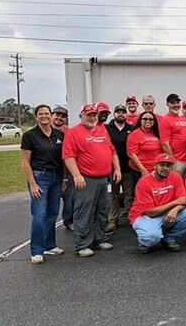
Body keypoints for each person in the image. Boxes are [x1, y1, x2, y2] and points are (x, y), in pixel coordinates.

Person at [63, 103, 121, 257]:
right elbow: (68, 156)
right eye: (88, 115)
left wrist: (117, 169)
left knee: (103, 209)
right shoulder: (73, 132)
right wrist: (76, 175)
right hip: (85, 178)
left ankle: (99, 238)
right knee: (84, 211)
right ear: (81, 115)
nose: (92, 117)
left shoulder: (102, 130)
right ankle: (82, 244)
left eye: (94, 114)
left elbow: (112, 151)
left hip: (104, 178)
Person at [21, 104, 67, 264]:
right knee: (39, 214)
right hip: (39, 177)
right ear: (36, 117)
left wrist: (65, 179)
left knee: (53, 212)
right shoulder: (30, 136)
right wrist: (32, 183)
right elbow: (25, 162)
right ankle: (36, 250)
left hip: (57, 177)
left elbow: (64, 160)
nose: (44, 116)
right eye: (40, 114)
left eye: (47, 113)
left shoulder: (59, 135)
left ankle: (50, 245)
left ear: (51, 115)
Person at [129, 153, 186, 253]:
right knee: (151, 238)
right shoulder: (144, 182)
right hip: (144, 216)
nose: (165, 168)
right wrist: (175, 203)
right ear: (155, 166)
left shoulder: (176, 177)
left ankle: (168, 239)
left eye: (168, 165)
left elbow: (183, 200)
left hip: (166, 213)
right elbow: (150, 212)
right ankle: (144, 241)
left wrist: (175, 209)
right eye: (162, 165)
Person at [104, 104, 135, 233]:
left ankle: (132, 218)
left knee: (129, 196)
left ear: (126, 115)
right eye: (118, 112)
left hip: (128, 168)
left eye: (123, 112)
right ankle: (112, 220)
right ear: (114, 114)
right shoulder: (107, 128)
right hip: (112, 169)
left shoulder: (131, 129)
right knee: (114, 196)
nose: (120, 114)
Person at [159, 93, 186, 175]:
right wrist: (172, 160)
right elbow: (164, 144)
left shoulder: (183, 119)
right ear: (167, 105)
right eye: (173, 103)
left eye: (177, 103)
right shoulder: (165, 120)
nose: (176, 105)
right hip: (177, 162)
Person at [51, 105, 72, 230]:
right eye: (57, 115)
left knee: (69, 199)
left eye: (63, 116)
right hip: (50, 171)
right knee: (51, 202)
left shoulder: (69, 132)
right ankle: (49, 224)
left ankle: (68, 221)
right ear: (52, 115)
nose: (59, 118)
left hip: (66, 171)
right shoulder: (45, 131)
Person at [127, 111, 163, 176]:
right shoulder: (134, 134)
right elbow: (132, 154)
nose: (148, 121)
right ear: (140, 120)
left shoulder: (155, 133)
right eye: (145, 119)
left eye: (151, 119)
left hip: (155, 169)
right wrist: (142, 170)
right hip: (140, 171)